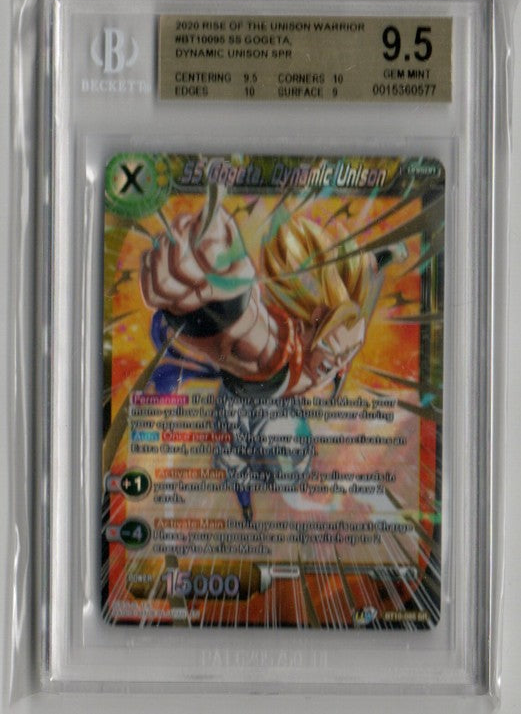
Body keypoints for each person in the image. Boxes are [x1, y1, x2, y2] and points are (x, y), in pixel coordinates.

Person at [140, 186, 405, 521]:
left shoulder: (334, 328)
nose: (340, 363)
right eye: (335, 351)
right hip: (246, 406)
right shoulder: (271, 350)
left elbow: (361, 275)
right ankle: (249, 499)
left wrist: (384, 257)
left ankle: (252, 493)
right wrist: (224, 297)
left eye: (347, 352)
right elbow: (250, 331)